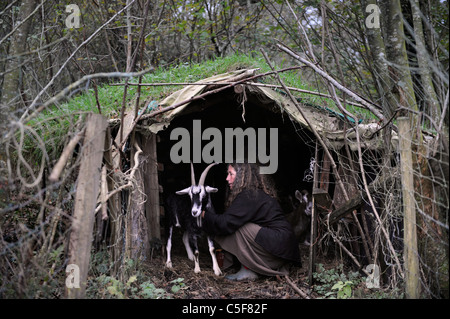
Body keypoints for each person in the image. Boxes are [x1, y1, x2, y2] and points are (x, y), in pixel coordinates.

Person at [201, 162, 301, 281]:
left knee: (239, 226)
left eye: (231, 174)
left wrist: (205, 215)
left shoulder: (249, 195)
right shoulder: (255, 194)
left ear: (242, 176)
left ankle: (247, 271)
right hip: (281, 250)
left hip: (277, 248)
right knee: (237, 223)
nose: (227, 178)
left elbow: (225, 223)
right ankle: (234, 264)